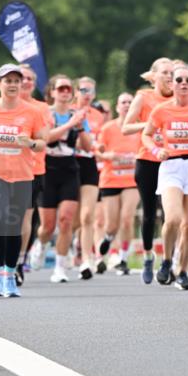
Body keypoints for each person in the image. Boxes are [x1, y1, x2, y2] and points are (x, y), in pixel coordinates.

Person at [0, 64, 48, 298]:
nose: (13, 84)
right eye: (8, 81)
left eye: (16, 81)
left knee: (14, 225)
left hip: (22, 174)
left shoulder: (32, 112)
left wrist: (29, 143)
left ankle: (10, 275)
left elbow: (42, 143)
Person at [142, 63, 188, 290]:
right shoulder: (162, 110)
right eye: (179, 80)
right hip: (171, 166)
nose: (184, 84)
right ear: (171, 84)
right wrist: (157, 151)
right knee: (173, 218)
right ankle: (166, 260)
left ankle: (183, 271)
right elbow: (147, 135)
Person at [30, 75, 92, 284]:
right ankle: (40, 243)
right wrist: (70, 125)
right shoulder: (45, 114)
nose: (65, 92)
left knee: (65, 221)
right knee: (47, 225)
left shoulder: (78, 115)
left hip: (69, 169)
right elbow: (46, 138)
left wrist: (81, 126)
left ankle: (60, 266)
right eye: (61, 89)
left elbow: (87, 146)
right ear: (52, 92)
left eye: (68, 89)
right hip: (47, 168)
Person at [122, 57, 174, 283]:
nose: (170, 78)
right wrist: (153, 124)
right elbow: (126, 127)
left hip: (174, 160)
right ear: (154, 77)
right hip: (148, 159)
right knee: (150, 213)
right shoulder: (144, 97)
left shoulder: (181, 97)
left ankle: (169, 260)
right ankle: (147, 256)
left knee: (171, 215)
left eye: (172, 73)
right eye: (165, 73)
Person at [96, 92, 140, 275]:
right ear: (117, 107)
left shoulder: (139, 128)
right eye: (123, 102)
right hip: (111, 179)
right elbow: (98, 152)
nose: (127, 105)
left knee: (127, 219)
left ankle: (122, 257)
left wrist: (138, 158)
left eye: (130, 102)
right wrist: (110, 156)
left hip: (132, 180)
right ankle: (108, 237)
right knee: (111, 224)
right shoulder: (108, 128)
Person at [16, 65, 52, 285]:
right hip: (4, 169)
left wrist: (29, 142)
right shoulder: (0, 107)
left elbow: (44, 138)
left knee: (26, 218)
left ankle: (19, 261)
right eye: (22, 78)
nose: (26, 82)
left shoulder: (41, 109)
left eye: (30, 79)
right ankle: (1, 259)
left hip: (33, 169)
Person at [73, 77, 106, 279]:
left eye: (90, 91)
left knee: (88, 216)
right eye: (83, 90)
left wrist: (99, 147)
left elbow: (99, 140)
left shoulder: (97, 116)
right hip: (68, 163)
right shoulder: (67, 112)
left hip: (88, 164)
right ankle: (72, 246)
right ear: (76, 92)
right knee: (70, 219)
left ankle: (86, 259)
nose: (86, 94)